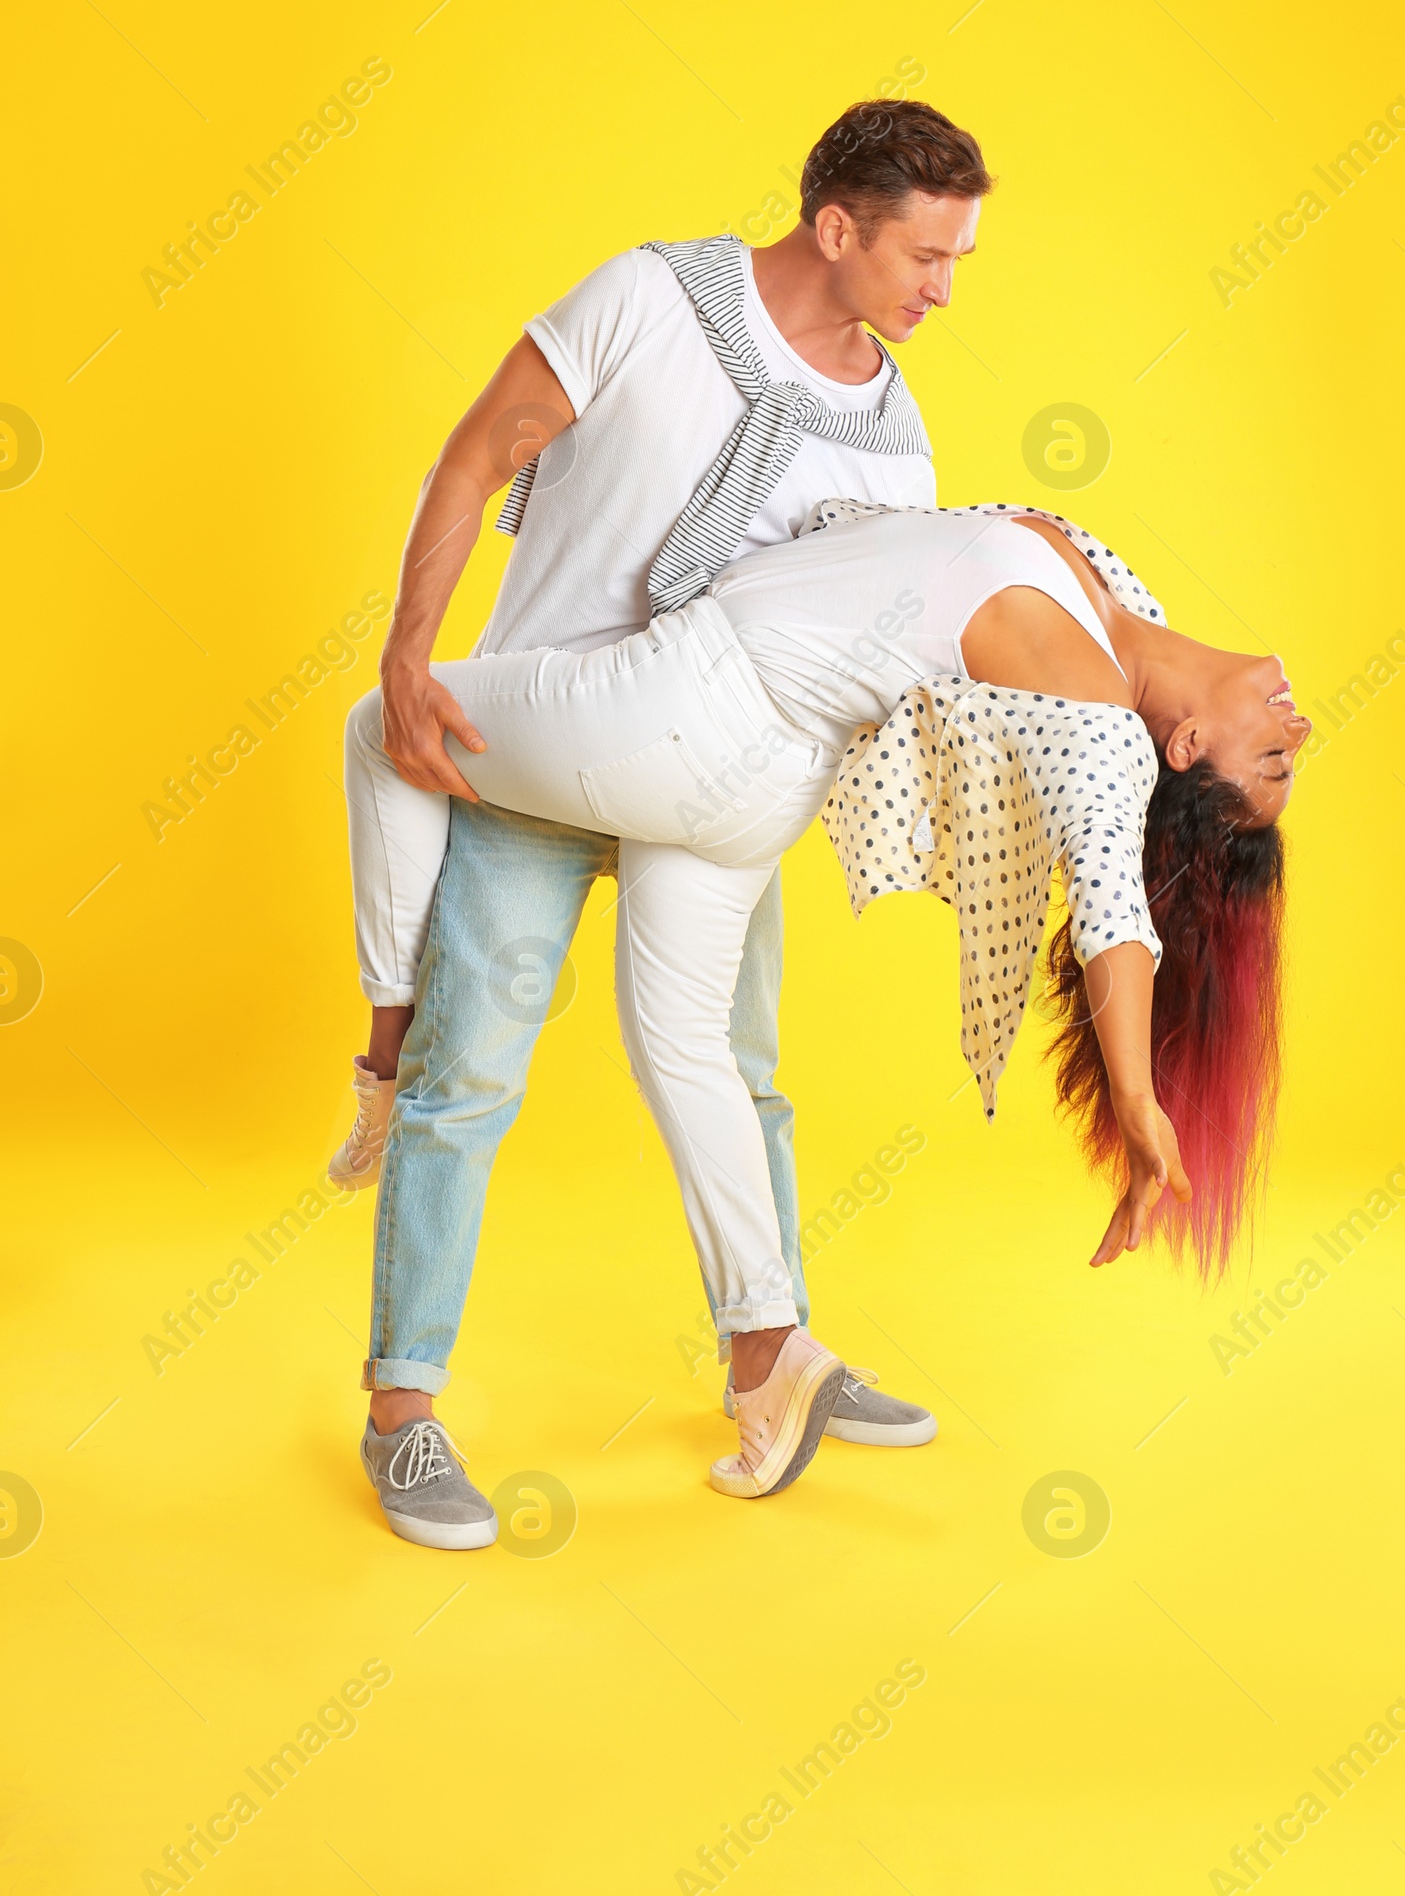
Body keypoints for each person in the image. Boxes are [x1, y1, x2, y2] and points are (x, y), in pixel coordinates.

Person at [344, 496, 1308, 1521]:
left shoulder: (1103, 730)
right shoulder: (1113, 593)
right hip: (755, 777)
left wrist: (1134, 1094)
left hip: (689, 707)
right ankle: (770, 1363)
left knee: (386, 721)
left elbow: (1112, 903)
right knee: (683, 1045)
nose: (1298, 729)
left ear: (1186, 743)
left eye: (1274, 759)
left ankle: (381, 1063)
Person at [337, 101, 997, 1550]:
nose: (945, 287)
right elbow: (477, 450)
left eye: (958, 258)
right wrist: (409, 656)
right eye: (928, 255)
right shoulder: (649, 300)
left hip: (708, 792)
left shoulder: (897, 443)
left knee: (740, 1072)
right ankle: (403, 1415)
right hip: (531, 756)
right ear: (838, 228)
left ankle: (774, 1366)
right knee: (465, 1080)